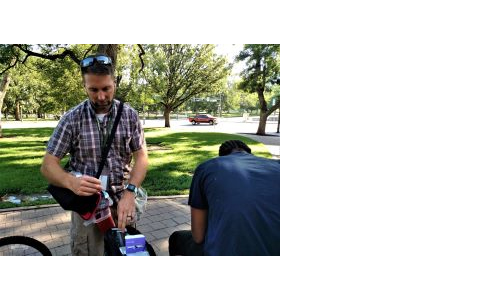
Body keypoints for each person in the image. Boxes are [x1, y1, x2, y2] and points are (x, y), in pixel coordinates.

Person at [40, 54, 148, 256]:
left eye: (106, 88)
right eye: (94, 90)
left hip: (122, 204)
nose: (100, 96)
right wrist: (69, 181)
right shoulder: (72, 119)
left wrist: (131, 191)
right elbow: (48, 165)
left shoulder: (130, 115)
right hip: (88, 210)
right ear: (84, 86)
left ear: (114, 83)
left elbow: (142, 157)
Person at [168, 140, 280, 256]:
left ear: (222, 156)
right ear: (249, 153)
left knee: (177, 238)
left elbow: (198, 236)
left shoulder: (207, 167)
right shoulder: (278, 165)